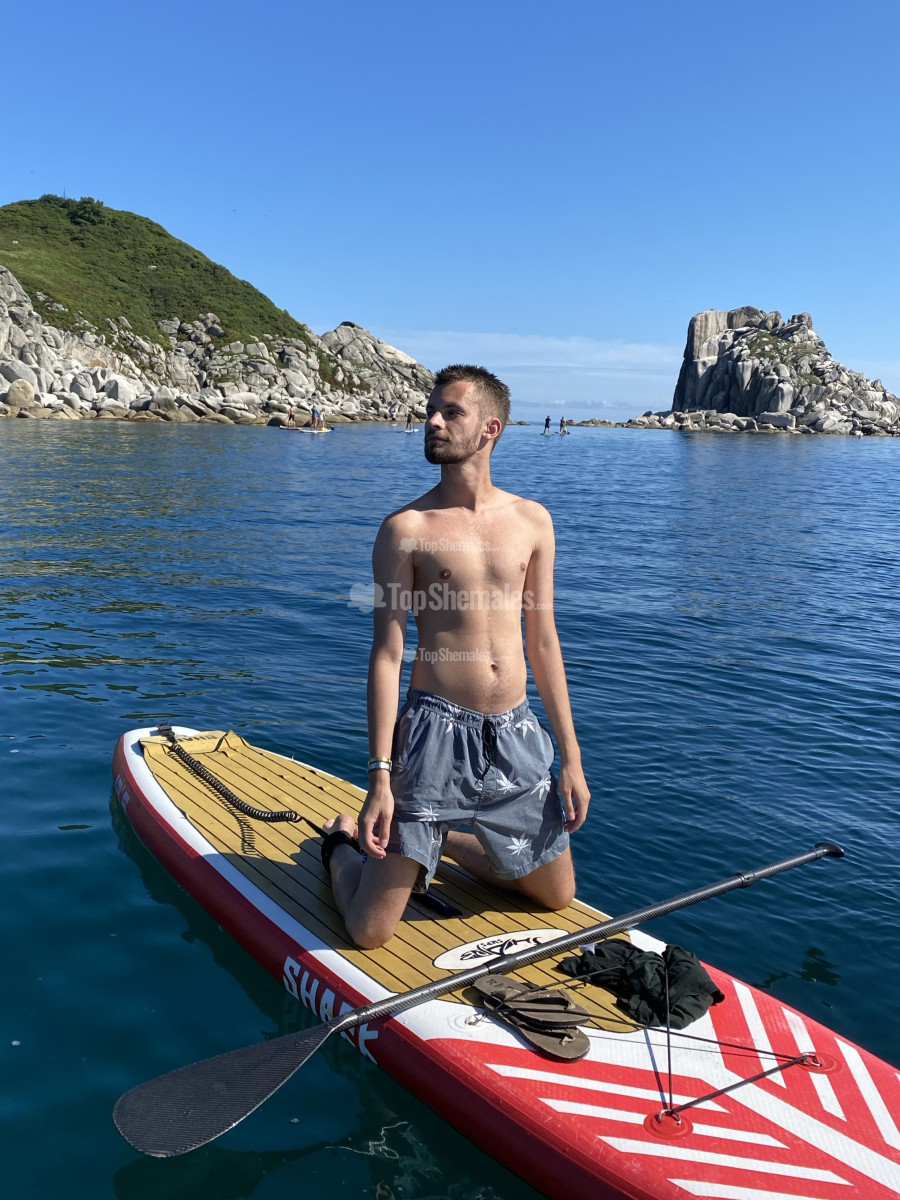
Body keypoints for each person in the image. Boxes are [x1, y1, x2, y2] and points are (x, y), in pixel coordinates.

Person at [322, 364, 590, 948]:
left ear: (491, 428)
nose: (433, 422)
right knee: (369, 931)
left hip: (516, 732)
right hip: (433, 734)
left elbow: (544, 642)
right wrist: (379, 776)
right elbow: (387, 654)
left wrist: (571, 758)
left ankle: (439, 847)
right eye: (431, 411)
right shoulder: (406, 529)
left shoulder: (532, 521)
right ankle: (339, 847)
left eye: (451, 412)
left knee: (557, 895)